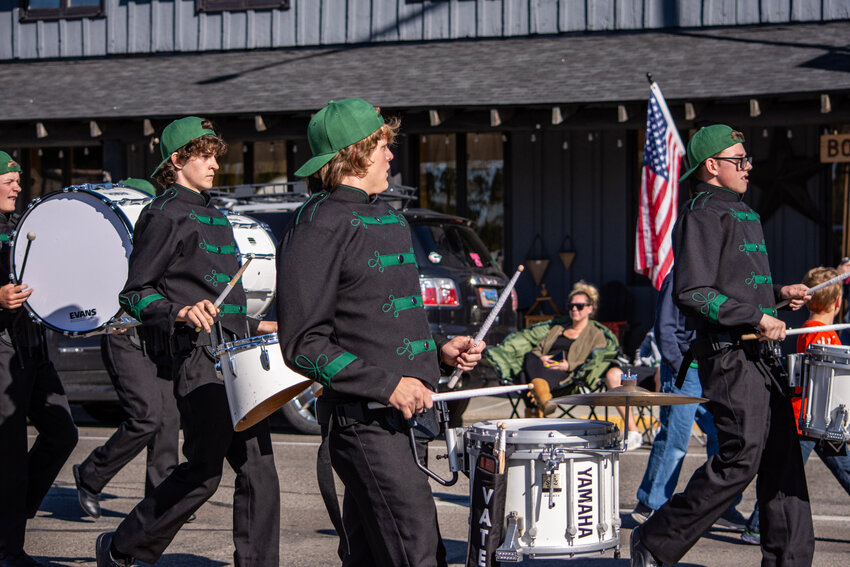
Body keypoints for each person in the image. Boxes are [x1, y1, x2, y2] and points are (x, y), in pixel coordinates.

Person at [276, 98, 484, 567]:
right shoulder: (317, 223)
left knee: (370, 555)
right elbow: (302, 344)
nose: (391, 155)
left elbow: (377, 320)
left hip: (403, 422)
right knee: (420, 552)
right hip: (363, 422)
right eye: (383, 145)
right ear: (355, 154)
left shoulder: (387, 215)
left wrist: (438, 351)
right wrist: (388, 385)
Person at [95, 118, 280, 567]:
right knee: (203, 473)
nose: (216, 164)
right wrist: (178, 311)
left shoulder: (216, 214)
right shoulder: (162, 213)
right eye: (206, 155)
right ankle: (121, 547)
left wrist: (261, 327)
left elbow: (224, 300)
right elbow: (135, 294)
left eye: (217, 155)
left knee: (260, 472)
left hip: (239, 358)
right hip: (198, 360)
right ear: (177, 160)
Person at [630, 124, 814, 567]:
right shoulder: (701, 214)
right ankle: (655, 540)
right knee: (740, 459)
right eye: (740, 160)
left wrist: (776, 298)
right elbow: (693, 291)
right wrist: (756, 316)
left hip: (761, 358)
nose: (749, 166)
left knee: (783, 462)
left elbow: (734, 289)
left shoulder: (739, 210)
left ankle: (790, 560)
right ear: (712, 166)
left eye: (747, 159)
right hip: (729, 358)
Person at [73, 178, 181, 519]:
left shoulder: (162, 236)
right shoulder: (109, 245)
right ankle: (91, 475)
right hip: (124, 334)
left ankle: (162, 497)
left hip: (157, 336)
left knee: (168, 419)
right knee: (146, 416)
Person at [0, 150, 79, 567]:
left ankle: (9, 520)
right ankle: (9, 549)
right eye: (8, 179)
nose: (18, 185)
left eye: (18, 179)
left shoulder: (21, 226)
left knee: (63, 434)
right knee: (9, 455)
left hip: (33, 347)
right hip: (2, 351)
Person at [741, 266, 850, 545]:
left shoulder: (817, 331)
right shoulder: (820, 335)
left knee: (845, 468)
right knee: (782, 474)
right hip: (808, 418)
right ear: (838, 303)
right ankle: (756, 527)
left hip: (821, 419)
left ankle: (755, 527)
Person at [631, 270, 746, 529]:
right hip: (687, 367)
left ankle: (722, 505)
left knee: (723, 433)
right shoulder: (679, 277)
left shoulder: (721, 276)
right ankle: (651, 504)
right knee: (676, 438)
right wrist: (676, 365)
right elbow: (666, 328)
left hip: (715, 366)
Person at [485, 280, 643, 450]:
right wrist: (543, 357)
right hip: (541, 366)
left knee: (526, 377)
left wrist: (569, 365)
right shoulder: (558, 328)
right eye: (571, 306)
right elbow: (538, 347)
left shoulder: (596, 334)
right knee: (530, 357)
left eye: (580, 306)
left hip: (567, 375)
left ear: (590, 308)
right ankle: (542, 397)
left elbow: (597, 357)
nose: (574, 309)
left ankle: (536, 405)